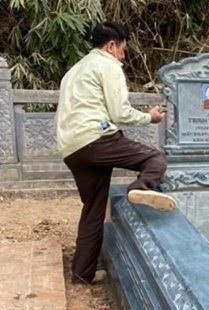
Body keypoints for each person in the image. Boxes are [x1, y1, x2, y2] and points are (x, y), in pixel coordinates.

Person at [55, 21, 176, 285]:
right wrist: (150, 117)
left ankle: (82, 274)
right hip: (96, 138)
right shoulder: (107, 65)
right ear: (112, 46)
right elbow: (119, 113)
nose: (123, 55)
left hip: (71, 148)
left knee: (93, 210)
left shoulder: (73, 71)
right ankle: (140, 188)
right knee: (155, 159)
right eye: (123, 49)